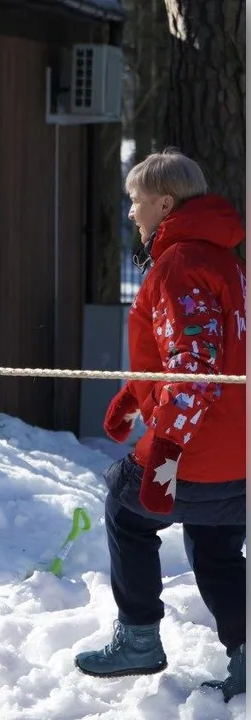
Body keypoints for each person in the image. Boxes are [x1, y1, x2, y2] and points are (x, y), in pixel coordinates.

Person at [74, 149, 246, 702]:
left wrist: (166, 449)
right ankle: (246, 658)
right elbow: (202, 353)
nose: (131, 214)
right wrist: (136, 391)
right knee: (217, 550)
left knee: (125, 507)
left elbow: (195, 369)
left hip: (195, 447)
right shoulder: (227, 261)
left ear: (164, 203)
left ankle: (139, 637)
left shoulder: (177, 265)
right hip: (238, 453)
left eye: (136, 202)